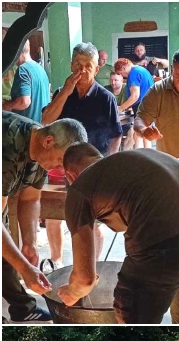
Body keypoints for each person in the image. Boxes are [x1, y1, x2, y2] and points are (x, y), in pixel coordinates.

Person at [58, 145, 179, 323]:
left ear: (70, 176)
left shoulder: (81, 186)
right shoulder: (131, 160)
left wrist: (72, 292)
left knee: (134, 320)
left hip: (166, 239)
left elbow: (84, 279)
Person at [38, 42, 120, 267]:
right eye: (77, 65)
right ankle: (56, 261)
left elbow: (116, 135)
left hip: (94, 168)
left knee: (93, 220)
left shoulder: (106, 98)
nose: (82, 71)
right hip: (61, 166)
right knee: (54, 214)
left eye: (88, 66)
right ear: (71, 66)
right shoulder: (62, 93)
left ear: (96, 69)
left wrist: (108, 165)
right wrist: (65, 91)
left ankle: (93, 265)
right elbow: (45, 121)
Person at [2, 114, 86, 322]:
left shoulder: (42, 150)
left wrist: (29, 244)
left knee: (8, 252)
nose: (61, 169)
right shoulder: (8, 147)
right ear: (48, 141)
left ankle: (23, 308)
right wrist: (24, 268)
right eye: (60, 162)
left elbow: (30, 199)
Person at [4, 40, 50, 122]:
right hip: (41, 125)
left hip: (27, 126)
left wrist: (6, 105)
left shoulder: (23, 69)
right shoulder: (40, 69)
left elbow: (24, 102)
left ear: (16, 50)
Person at [112, 58, 153, 149]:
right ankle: (148, 155)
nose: (122, 76)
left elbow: (135, 96)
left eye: (120, 73)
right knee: (146, 135)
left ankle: (139, 156)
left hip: (142, 107)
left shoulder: (133, 74)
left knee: (137, 134)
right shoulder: (142, 70)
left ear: (124, 68)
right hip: (150, 106)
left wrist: (121, 108)